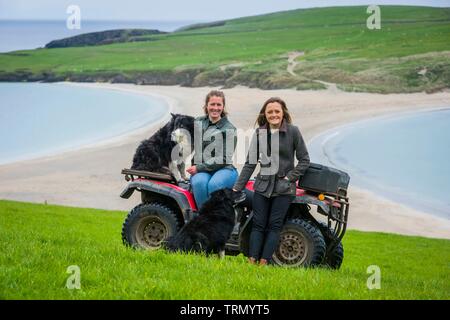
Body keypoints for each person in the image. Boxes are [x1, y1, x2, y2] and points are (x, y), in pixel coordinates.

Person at [232, 97, 310, 265]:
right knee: (258, 225)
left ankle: (264, 262)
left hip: (284, 189)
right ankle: (252, 261)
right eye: (270, 112)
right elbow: (250, 163)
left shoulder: (293, 132)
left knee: (274, 226)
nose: (273, 114)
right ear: (265, 114)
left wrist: (290, 178)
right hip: (262, 187)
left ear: (283, 113)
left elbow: (304, 160)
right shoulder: (259, 133)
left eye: (277, 111)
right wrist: (237, 188)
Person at [187, 90, 238, 209]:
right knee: (199, 184)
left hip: (224, 168)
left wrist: (198, 167)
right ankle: (204, 219)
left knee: (215, 185)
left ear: (223, 107)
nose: (215, 108)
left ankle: (215, 220)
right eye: (212, 104)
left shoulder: (230, 129)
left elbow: (224, 158)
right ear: (206, 106)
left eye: (219, 104)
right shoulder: (198, 122)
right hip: (201, 169)